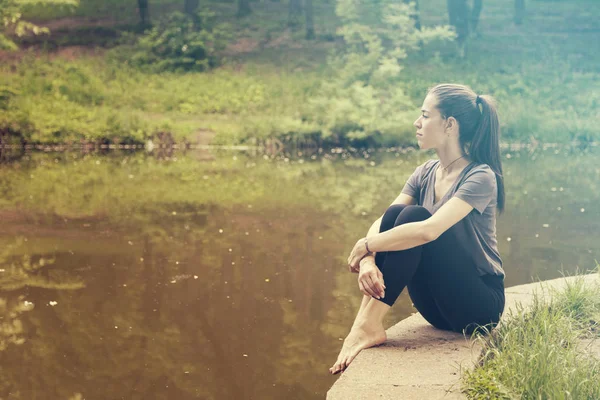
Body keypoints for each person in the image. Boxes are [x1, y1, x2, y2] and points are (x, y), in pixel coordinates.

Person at [329, 83, 506, 375]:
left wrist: (366, 246)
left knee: (415, 217)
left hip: (479, 307)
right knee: (399, 213)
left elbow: (429, 231)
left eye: (425, 115)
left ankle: (367, 325)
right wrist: (368, 258)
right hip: (436, 308)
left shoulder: (480, 176)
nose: (417, 122)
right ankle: (364, 324)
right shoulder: (425, 172)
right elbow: (385, 218)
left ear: (449, 124)